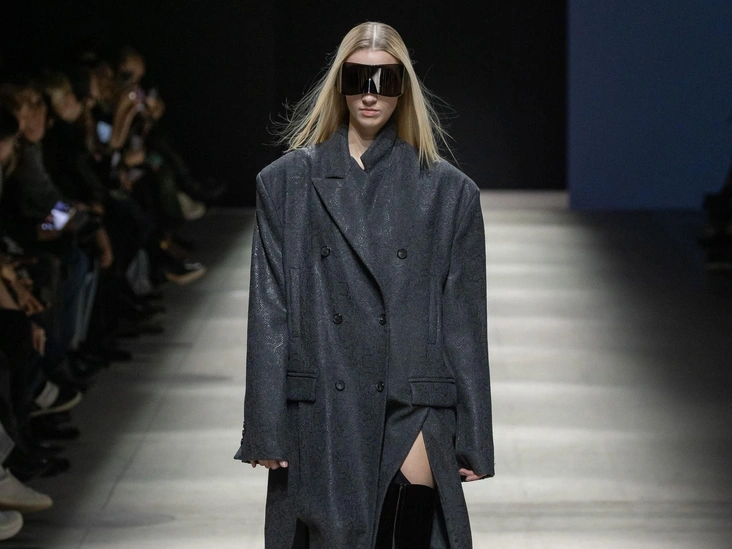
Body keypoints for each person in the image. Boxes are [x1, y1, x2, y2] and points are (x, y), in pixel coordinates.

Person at [234, 22, 494, 549]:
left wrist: (474, 436)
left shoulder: (449, 194)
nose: (370, 94)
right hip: (324, 408)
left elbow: (463, 324)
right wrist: (264, 424)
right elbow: (270, 308)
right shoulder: (285, 184)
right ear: (340, 85)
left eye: (385, 80)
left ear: (404, 89)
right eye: (358, 78)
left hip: (412, 400)